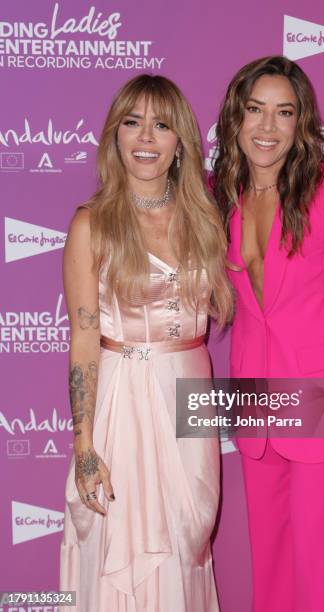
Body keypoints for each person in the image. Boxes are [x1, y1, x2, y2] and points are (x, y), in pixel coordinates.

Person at [213, 56, 324, 612]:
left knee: (321, 564)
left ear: (301, 121)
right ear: (235, 119)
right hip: (255, 400)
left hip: (322, 397)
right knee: (272, 559)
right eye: (255, 111)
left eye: (283, 113)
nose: (267, 127)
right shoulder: (222, 195)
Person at [60, 74, 232, 612]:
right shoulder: (93, 224)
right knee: (122, 545)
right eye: (132, 123)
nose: (145, 138)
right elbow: (85, 339)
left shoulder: (206, 219)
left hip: (190, 396)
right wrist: (84, 445)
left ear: (181, 140)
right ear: (115, 135)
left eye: (161, 125)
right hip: (122, 400)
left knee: (186, 539)